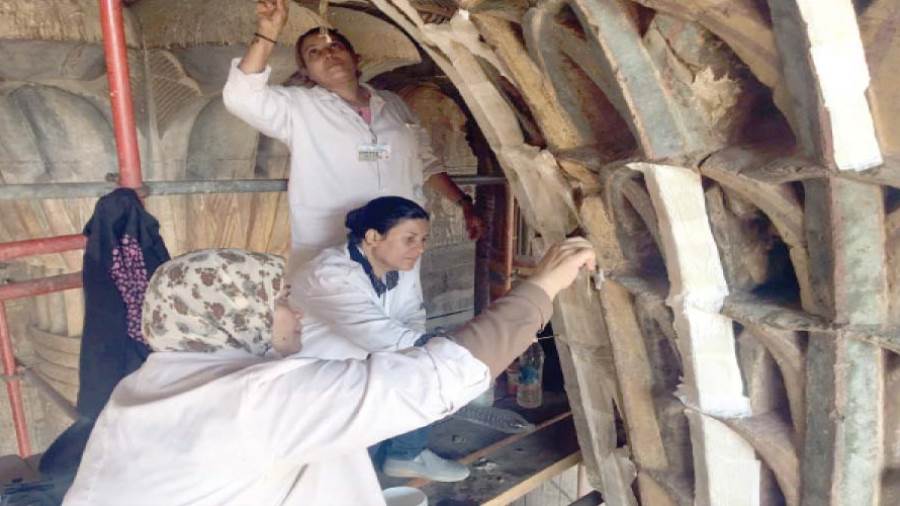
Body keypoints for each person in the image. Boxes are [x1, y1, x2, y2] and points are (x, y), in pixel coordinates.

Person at [62, 239, 596, 505]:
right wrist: (544, 287)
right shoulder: (254, 399)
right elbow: (437, 378)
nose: (295, 312)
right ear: (234, 313)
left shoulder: (145, 384)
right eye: (279, 301)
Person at [222, 0, 483, 275]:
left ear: (355, 57)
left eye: (335, 46)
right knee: (341, 299)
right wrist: (268, 31)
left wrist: (463, 203)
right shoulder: (299, 107)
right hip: (333, 249)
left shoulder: (393, 104)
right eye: (314, 52)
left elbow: (425, 162)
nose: (328, 54)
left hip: (400, 246)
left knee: (399, 301)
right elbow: (241, 97)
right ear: (306, 72)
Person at [290, 196, 462, 481]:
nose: (420, 248)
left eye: (423, 239)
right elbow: (377, 334)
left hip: (364, 370)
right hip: (320, 381)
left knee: (425, 367)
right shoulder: (329, 274)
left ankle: (405, 455)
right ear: (372, 237)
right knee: (342, 477)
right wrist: (447, 350)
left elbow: (412, 316)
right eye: (409, 239)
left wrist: (431, 349)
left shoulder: (400, 269)